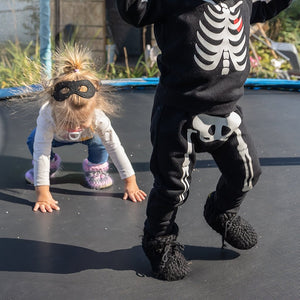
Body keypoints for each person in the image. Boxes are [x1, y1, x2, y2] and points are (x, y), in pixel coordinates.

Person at [116, 0, 293, 280]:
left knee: (247, 173)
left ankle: (221, 211)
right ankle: (158, 238)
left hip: (228, 111)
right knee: (173, 189)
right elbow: (135, 11)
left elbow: (262, 10)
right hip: (179, 114)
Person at [25, 44, 146, 213]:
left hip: (89, 136)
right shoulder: (48, 114)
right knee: (33, 140)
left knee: (100, 142)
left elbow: (115, 147)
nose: (74, 128)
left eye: (81, 122)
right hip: (56, 137)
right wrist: (42, 192)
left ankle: (96, 167)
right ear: (55, 110)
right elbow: (41, 152)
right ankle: (53, 165)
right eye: (68, 122)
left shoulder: (97, 116)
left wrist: (130, 182)